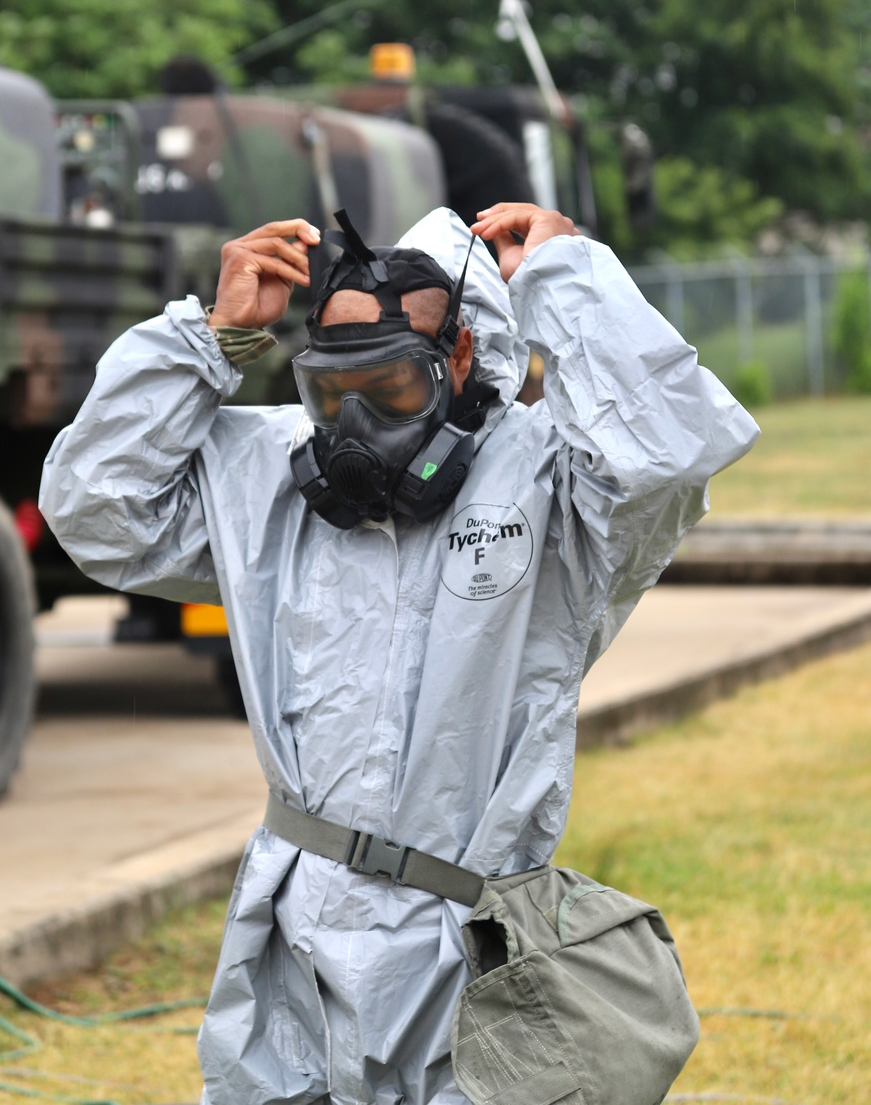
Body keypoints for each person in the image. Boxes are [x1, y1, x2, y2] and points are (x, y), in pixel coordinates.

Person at [40, 201, 758, 1105]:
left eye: (393, 390)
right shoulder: (270, 476)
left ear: (458, 359)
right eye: (331, 393)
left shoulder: (557, 487)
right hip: (290, 926)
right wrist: (211, 341)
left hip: (471, 944)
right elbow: (98, 512)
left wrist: (567, 279)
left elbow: (673, 448)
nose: (356, 426)